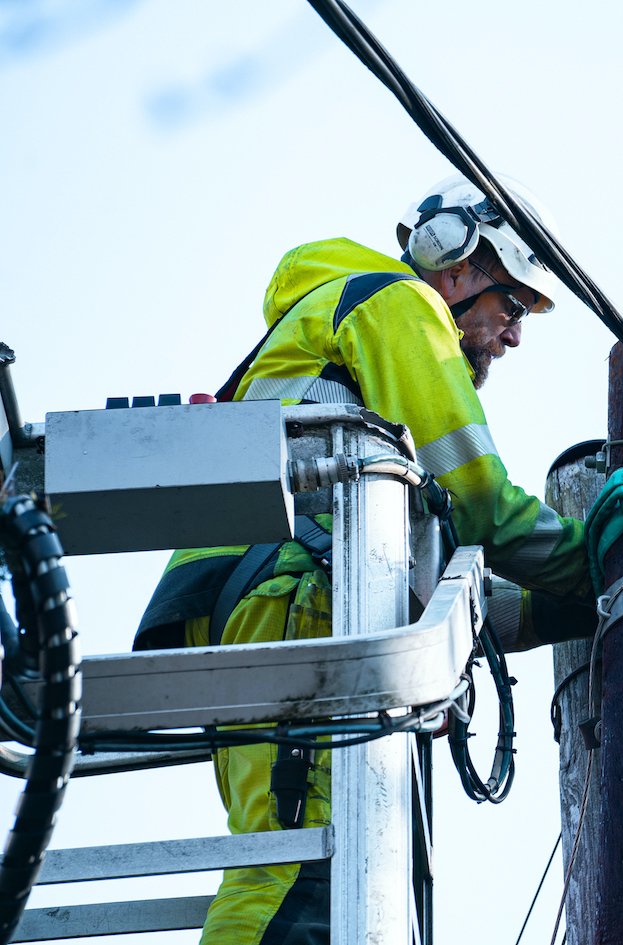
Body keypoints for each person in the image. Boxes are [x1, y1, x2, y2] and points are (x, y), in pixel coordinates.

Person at [134, 175, 593, 944]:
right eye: (511, 304)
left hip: (269, 604)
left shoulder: (338, 340)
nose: (513, 335)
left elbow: (439, 583)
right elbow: (483, 503)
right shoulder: (396, 304)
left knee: (287, 852)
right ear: (456, 265)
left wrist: (577, 605)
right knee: (308, 869)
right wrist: (611, 556)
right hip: (299, 602)